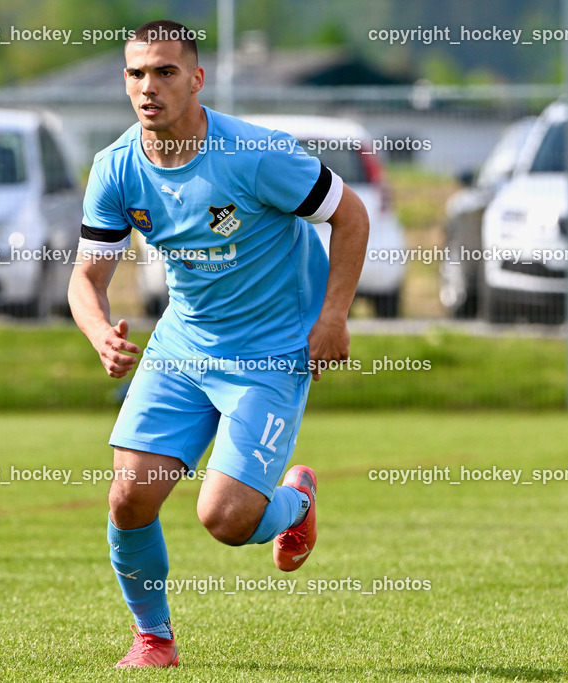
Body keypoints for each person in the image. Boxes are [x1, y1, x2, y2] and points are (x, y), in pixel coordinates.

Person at [68, 20, 370, 669]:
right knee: (129, 496)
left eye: (165, 72)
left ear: (196, 79)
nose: (149, 87)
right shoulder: (116, 169)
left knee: (227, 518)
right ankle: (154, 638)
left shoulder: (255, 155)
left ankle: (297, 502)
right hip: (183, 344)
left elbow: (351, 215)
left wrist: (334, 317)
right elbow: (86, 278)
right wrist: (99, 331)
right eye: (136, 73)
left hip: (270, 351)